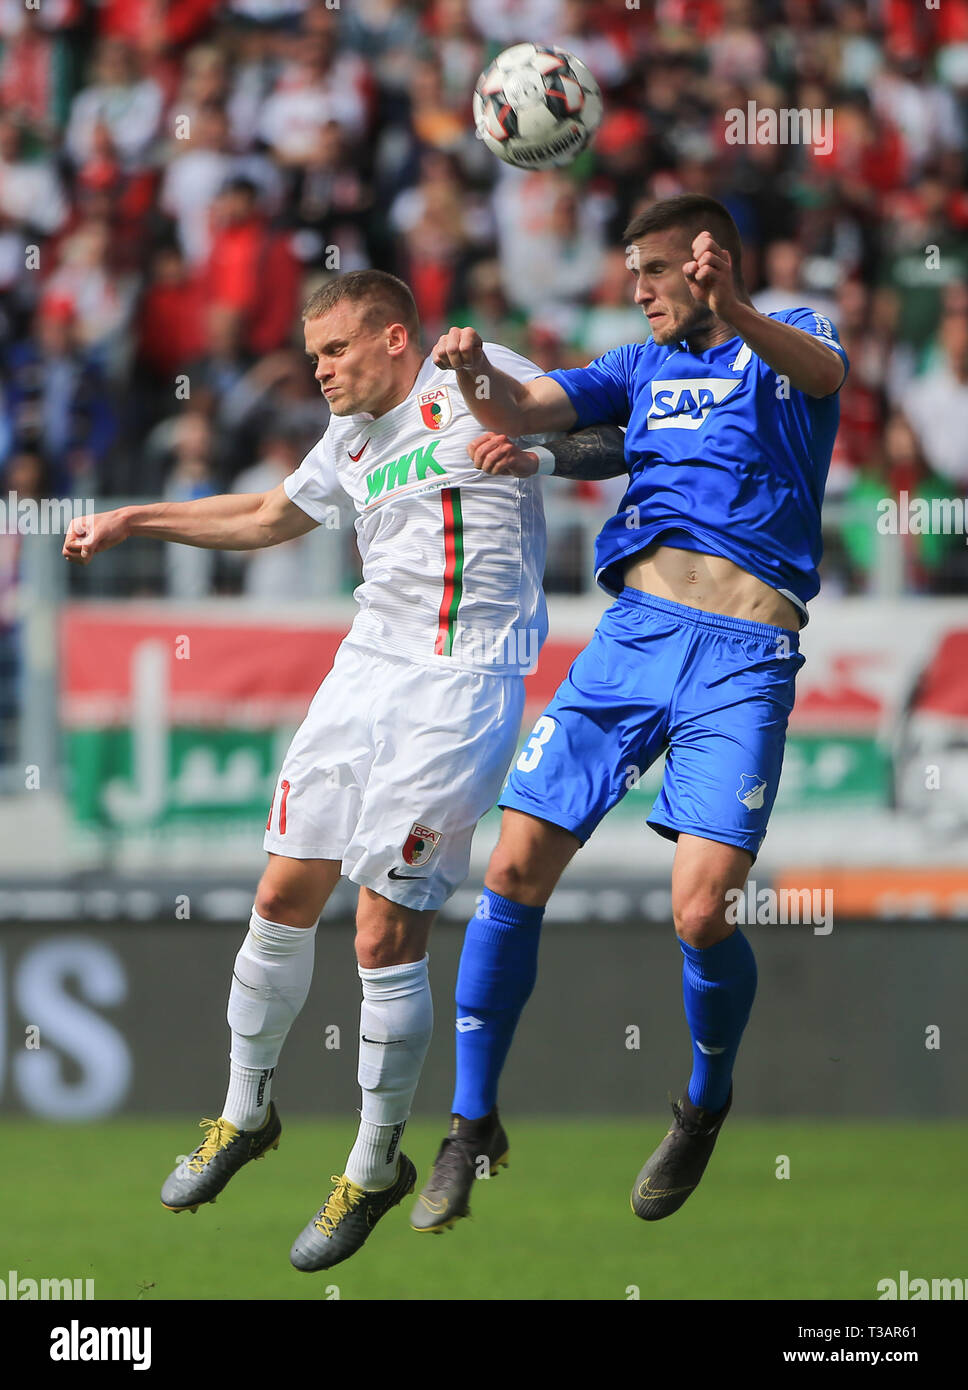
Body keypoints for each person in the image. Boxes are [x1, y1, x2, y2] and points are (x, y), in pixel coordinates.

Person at [61, 269, 606, 1273]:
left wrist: (537, 448)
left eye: (336, 350)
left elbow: (606, 431)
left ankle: (370, 1164)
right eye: (313, 354)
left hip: (461, 680)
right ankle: (244, 1113)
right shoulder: (351, 437)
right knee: (281, 891)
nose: (319, 370)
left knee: (380, 922)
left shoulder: (472, 380)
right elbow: (272, 515)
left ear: (395, 338)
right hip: (364, 670)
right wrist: (137, 517)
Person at [412, 193, 848, 1234]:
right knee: (510, 870)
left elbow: (823, 377)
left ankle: (703, 1101)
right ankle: (470, 1126)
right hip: (631, 642)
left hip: (742, 657)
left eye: (651, 270)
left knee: (700, 910)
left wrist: (734, 306)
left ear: (708, 267)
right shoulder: (634, 367)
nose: (637, 288)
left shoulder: (790, 340)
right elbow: (517, 413)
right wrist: (473, 373)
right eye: (630, 271)